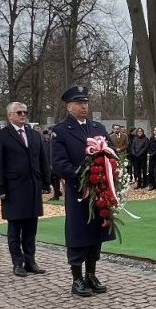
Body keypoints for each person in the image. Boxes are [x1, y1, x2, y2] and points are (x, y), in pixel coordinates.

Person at [49, 85, 116, 298]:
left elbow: (111, 153)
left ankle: (91, 274)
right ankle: (77, 277)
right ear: (69, 107)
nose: (84, 106)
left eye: (86, 102)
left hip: (100, 191)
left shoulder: (97, 127)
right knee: (79, 233)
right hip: (79, 191)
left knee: (97, 231)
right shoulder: (61, 131)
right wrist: (83, 178)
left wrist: (110, 174)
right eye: (79, 103)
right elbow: (58, 163)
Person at [0, 101, 50, 276]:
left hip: (32, 187)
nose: (23, 115)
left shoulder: (34, 135)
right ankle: (17, 263)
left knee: (31, 227)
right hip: (13, 188)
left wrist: (45, 183)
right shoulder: (1, 136)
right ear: (10, 116)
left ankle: (30, 261)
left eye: (25, 112)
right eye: (19, 112)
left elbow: (42, 160)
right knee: (15, 228)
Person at [44, 127, 63, 200]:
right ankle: (57, 192)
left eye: (49, 130)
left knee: (55, 179)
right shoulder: (49, 140)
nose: (48, 132)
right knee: (52, 179)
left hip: (54, 162)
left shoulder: (55, 139)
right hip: (49, 162)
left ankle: (57, 194)